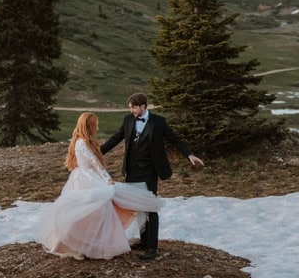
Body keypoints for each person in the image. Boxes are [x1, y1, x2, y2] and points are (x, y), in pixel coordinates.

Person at [37, 112, 161, 260]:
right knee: (90, 212)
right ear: (89, 126)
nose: (97, 126)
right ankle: (81, 245)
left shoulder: (82, 140)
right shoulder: (82, 142)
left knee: (89, 213)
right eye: (95, 124)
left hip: (84, 177)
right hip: (88, 179)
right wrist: (108, 179)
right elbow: (94, 164)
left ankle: (89, 245)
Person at [101, 93, 204, 260]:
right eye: (131, 108)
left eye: (134, 107)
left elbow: (174, 139)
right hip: (131, 170)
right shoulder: (128, 120)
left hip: (149, 171)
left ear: (143, 106)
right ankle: (143, 241)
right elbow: (116, 138)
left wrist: (189, 154)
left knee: (150, 207)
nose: (132, 110)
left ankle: (152, 247)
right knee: (137, 206)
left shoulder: (158, 122)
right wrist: (97, 154)